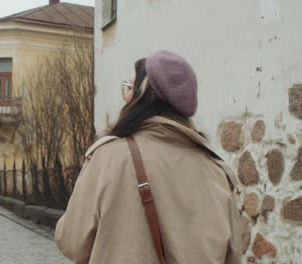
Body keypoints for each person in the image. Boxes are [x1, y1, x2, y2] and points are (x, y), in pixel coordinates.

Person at [55, 50, 242, 264]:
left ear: (142, 96)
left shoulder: (108, 157)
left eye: (129, 89)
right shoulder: (216, 171)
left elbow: (72, 242)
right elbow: (233, 256)